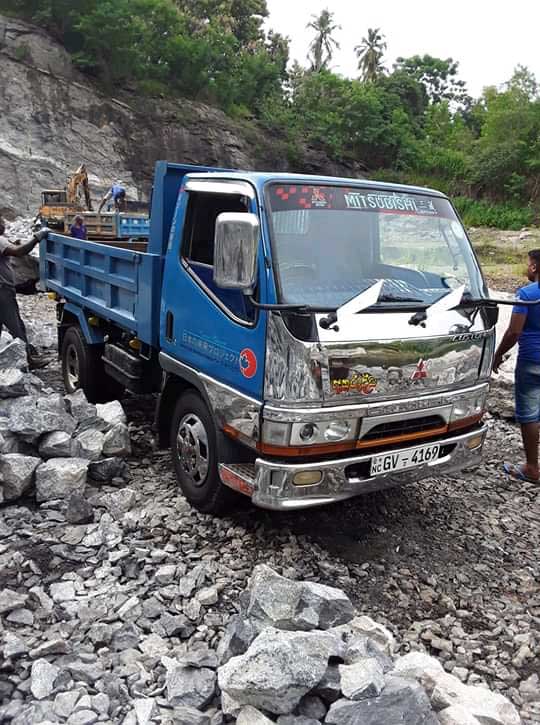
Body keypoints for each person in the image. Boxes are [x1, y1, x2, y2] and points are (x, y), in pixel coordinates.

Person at [494, 249, 540, 483]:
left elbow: (514, 331)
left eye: (528, 263)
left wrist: (498, 354)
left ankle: (532, 468)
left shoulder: (527, 294)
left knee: (529, 413)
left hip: (532, 361)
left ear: (534, 267)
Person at [0, 220, 51, 369]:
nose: (4, 225)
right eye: (1, 223)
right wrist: (37, 237)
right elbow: (19, 251)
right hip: (3, 291)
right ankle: (28, 361)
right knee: (17, 328)